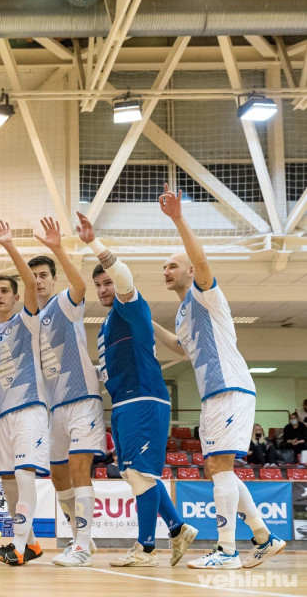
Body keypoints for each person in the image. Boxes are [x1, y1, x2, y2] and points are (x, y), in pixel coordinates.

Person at [153, 183, 285, 569]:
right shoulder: (183, 312)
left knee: (221, 467)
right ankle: (264, 537)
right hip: (213, 394)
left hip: (231, 388)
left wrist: (179, 219)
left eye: (172, 265)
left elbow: (202, 259)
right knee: (215, 468)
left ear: (191, 271)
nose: (166, 270)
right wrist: (148, 323)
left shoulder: (205, 294)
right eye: (164, 267)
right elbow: (181, 348)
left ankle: (227, 551)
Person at [78, 212, 197, 567]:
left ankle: (145, 549)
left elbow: (124, 279)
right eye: (98, 285)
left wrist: (95, 244)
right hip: (124, 403)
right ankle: (177, 529)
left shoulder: (130, 306)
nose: (104, 289)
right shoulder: (107, 325)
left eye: (107, 283)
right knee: (135, 474)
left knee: (142, 475)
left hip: (144, 398)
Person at [31, 217, 105, 567]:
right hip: (54, 407)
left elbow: (81, 285)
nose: (38, 281)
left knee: (78, 469)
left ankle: (82, 544)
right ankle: (80, 536)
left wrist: (58, 248)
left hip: (82, 399)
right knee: (58, 474)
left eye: (43, 275)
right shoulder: (29, 319)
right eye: (33, 276)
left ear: (53, 279)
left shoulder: (64, 301)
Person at [0, 219, 49, 567]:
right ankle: (32, 544)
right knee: (7, 481)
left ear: (15, 296)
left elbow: (29, 282)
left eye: (4, 291)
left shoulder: (26, 320)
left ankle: (18, 547)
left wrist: (9, 245)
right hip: (0, 415)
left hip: (28, 408)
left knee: (24, 478)